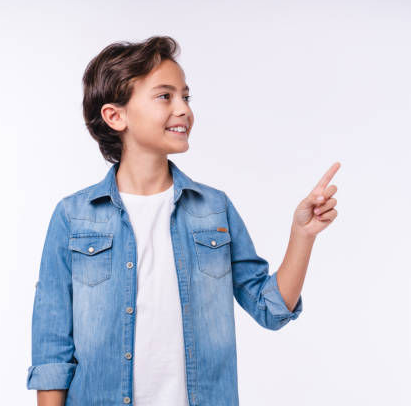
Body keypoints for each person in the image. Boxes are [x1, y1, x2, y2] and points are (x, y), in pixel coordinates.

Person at [26, 35, 340, 406]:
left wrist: (302, 236)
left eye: (186, 97)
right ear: (116, 116)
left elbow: (269, 309)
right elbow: (51, 347)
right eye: (165, 96)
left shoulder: (213, 208)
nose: (183, 109)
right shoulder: (73, 217)